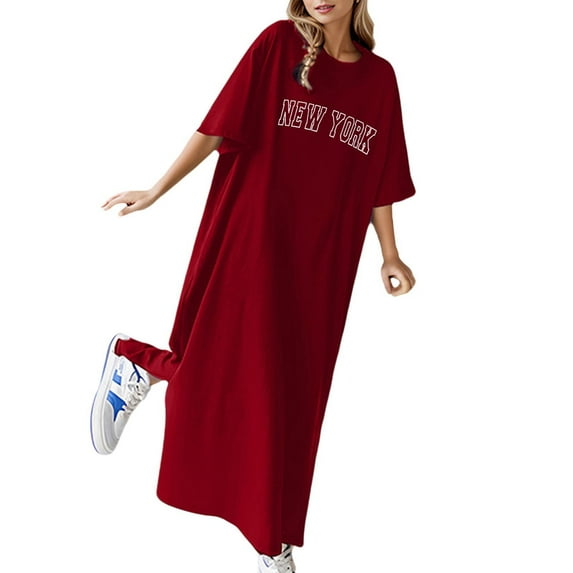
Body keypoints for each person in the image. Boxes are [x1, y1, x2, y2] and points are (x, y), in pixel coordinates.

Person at [90, 1, 417, 571]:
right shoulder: (278, 44)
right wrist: (158, 189)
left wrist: (389, 253)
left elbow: (381, 177)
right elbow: (218, 125)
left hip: (324, 261)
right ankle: (271, 539)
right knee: (236, 371)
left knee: (297, 394)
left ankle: (143, 369)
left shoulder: (380, 80)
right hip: (256, 234)